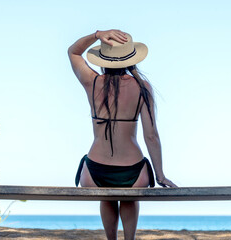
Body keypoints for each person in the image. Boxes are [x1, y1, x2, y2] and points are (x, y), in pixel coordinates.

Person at [68, 29, 177, 240]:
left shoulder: (92, 82)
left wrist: (98, 34)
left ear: (103, 58)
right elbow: (151, 135)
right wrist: (160, 174)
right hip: (133, 172)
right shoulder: (142, 87)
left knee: (107, 196)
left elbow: (73, 52)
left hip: (94, 172)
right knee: (129, 197)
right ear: (130, 58)